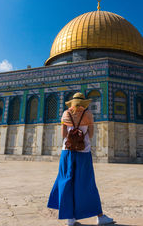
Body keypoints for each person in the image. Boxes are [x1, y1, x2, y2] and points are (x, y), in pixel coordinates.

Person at [47, 92, 114, 226]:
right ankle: (100, 217)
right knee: (87, 183)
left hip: (68, 152)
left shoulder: (66, 114)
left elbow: (64, 135)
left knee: (66, 181)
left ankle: (69, 218)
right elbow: (90, 134)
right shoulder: (88, 114)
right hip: (84, 152)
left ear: (72, 103)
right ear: (84, 103)